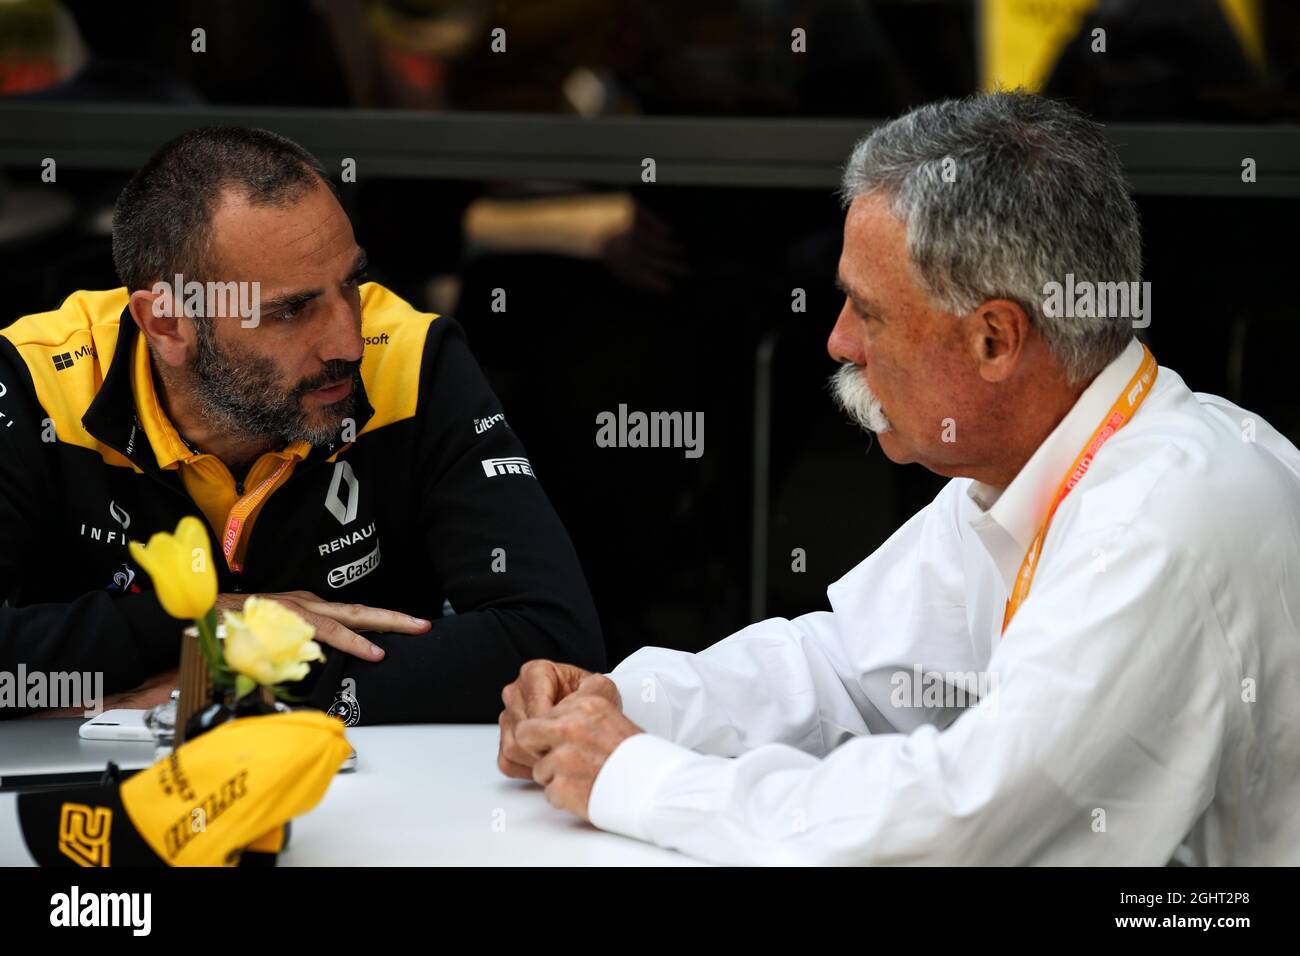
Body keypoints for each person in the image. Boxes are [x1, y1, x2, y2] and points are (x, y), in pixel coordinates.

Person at [496, 91, 1300, 865]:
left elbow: (960, 830)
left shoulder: (1157, 525)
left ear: (995, 340)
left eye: (868, 311)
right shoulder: (1050, 459)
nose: (839, 342)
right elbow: (851, 671)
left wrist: (636, 775)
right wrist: (616, 704)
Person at [0, 127, 603, 721]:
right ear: (166, 326)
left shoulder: (411, 357)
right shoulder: (37, 382)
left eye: (351, 285)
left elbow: (554, 647)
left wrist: (230, 678)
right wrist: (203, 619)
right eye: (290, 310)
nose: (348, 340)